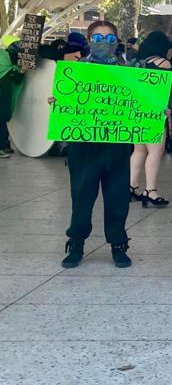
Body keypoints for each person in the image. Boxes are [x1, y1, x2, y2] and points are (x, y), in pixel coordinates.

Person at [59, 20, 134, 268]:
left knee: (117, 197)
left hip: (117, 146)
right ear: (90, 40)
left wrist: (156, 111)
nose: (104, 43)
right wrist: (58, 102)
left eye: (110, 38)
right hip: (84, 146)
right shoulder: (75, 71)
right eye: (99, 38)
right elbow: (65, 100)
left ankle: (118, 244)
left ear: (117, 41)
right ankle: (76, 243)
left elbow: (141, 103)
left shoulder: (130, 71)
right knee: (81, 196)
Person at [130, 31, 172, 207]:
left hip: (137, 112)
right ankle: (151, 190)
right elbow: (169, 90)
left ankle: (132, 186)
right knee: (156, 152)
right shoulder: (162, 63)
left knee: (139, 150)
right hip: (154, 113)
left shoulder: (136, 63)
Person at [0, 42, 23, 159]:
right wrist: (22, 71)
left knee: (3, 119)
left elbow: (15, 78)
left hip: (4, 95)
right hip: (2, 95)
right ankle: (2, 147)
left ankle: (4, 145)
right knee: (2, 120)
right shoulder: (6, 64)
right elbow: (15, 78)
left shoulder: (5, 60)